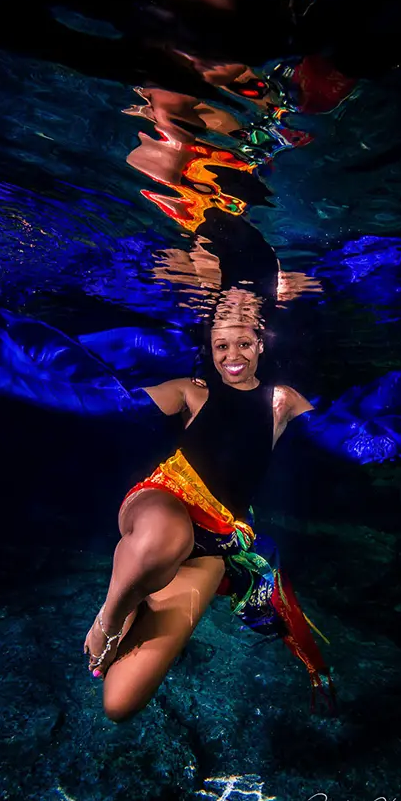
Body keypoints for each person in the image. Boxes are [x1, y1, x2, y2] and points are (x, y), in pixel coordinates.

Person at [82, 288, 334, 722]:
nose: (232, 355)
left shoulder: (282, 400)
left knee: (119, 704)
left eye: (242, 343)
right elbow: (120, 401)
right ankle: (110, 616)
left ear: (260, 344)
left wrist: (389, 436)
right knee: (166, 537)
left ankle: (141, 594)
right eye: (221, 345)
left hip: (218, 541)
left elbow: (334, 433)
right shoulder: (192, 391)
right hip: (163, 503)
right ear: (210, 350)